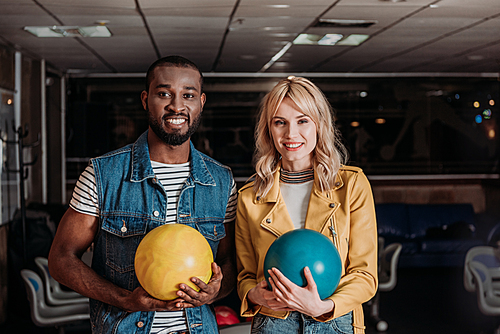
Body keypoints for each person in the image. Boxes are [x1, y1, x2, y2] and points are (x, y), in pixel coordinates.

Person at [48, 55, 238, 334]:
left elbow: (230, 264)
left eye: (188, 95)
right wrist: (124, 299)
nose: (177, 105)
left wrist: (215, 291)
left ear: (201, 102)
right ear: (145, 99)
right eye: (164, 94)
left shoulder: (221, 181)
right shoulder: (103, 175)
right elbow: (61, 259)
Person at [235, 76, 378, 334]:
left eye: (302, 121)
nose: (291, 134)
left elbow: (365, 276)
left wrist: (323, 306)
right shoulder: (249, 197)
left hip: (336, 319)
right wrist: (256, 295)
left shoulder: (352, 185)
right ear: (269, 129)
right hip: (274, 322)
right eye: (280, 123)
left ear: (319, 125)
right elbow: (245, 278)